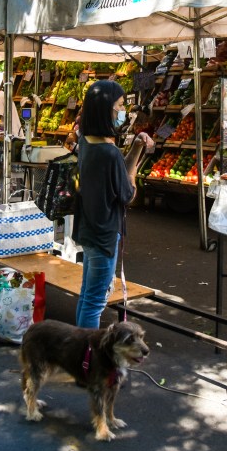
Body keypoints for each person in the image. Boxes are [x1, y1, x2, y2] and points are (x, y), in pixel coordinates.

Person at [74, 80, 154, 328]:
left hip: (88, 229)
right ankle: (88, 359)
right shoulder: (109, 153)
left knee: (87, 296)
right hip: (104, 235)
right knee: (95, 302)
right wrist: (137, 154)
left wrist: (136, 146)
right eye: (119, 106)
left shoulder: (86, 142)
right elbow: (129, 194)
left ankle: (80, 354)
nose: (123, 112)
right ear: (105, 109)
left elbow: (118, 175)